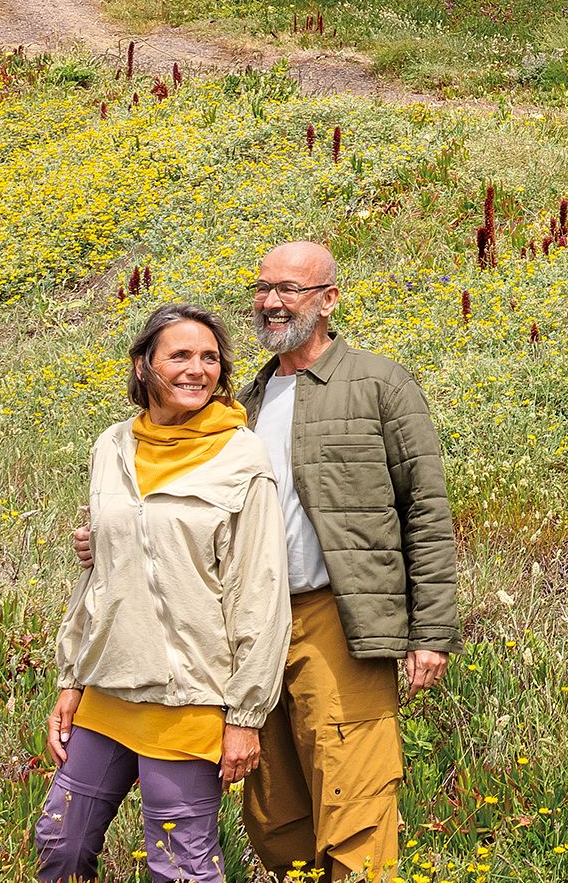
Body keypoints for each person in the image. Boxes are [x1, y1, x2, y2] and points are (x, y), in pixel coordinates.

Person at [80, 240, 458, 882]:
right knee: (273, 803)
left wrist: (431, 633)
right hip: (246, 629)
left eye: (291, 288)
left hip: (337, 618)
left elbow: (426, 506)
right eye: (263, 288)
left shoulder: (377, 384)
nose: (273, 302)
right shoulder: (242, 404)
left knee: (354, 794)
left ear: (329, 300)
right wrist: (107, 541)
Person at [38, 304, 290, 883]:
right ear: (143, 366)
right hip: (109, 685)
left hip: (190, 697)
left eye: (209, 358)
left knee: (178, 866)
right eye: (179, 355)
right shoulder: (112, 446)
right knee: (60, 841)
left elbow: (261, 594)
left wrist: (245, 716)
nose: (197, 369)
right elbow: (99, 576)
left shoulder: (241, 457)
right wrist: (71, 679)